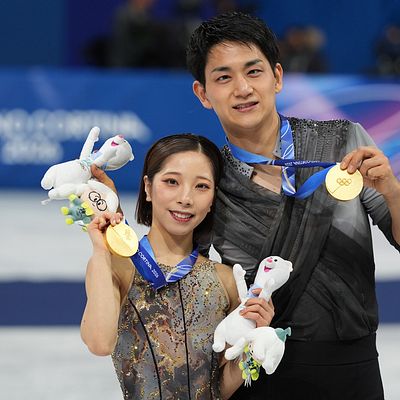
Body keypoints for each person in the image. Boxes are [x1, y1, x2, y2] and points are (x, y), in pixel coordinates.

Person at [184, 11, 400, 400]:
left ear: (277, 77)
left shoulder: (342, 143)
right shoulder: (208, 179)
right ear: (202, 93)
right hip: (257, 371)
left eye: (254, 71)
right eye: (224, 77)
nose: (243, 88)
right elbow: (186, 281)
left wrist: (392, 191)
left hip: (352, 370)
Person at [81, 133, 275, 399]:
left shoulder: (226, 280)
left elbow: (218, 388)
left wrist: (255, 342)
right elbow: (100, 343)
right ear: (148, 187)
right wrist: (103, 250)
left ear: (213, 199)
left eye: (201, 186)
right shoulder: (117, 268)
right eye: (172, 182)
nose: (186, 198)